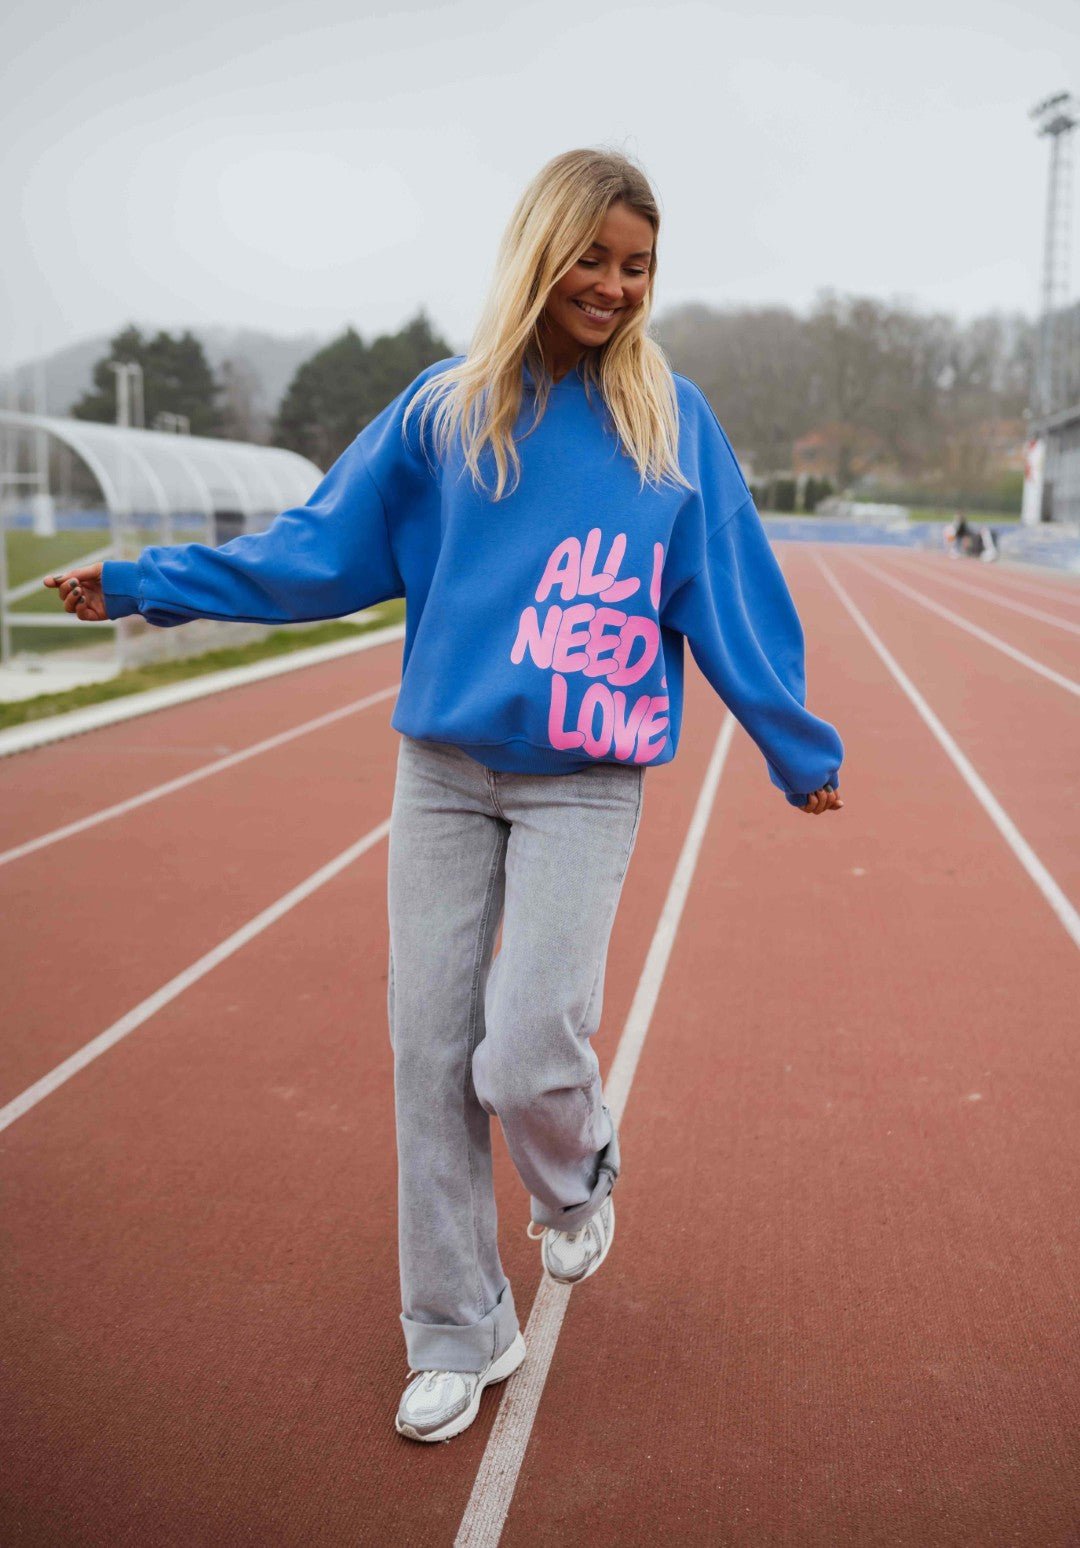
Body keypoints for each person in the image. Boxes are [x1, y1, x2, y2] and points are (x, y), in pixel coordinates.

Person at [45, 147, 845, 1446]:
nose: (615, 285)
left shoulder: (669, 420)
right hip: (446, 777)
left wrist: (796, 746)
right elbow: (317, 553)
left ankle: (575, 1185)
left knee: (528, 1042)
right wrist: (146, 581)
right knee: (428, 1052)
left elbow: (728, 585)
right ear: (541, 252)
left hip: (584, 784)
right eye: (592, 257)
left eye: (638, 265)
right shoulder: (444, 409)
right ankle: (458, 1328)